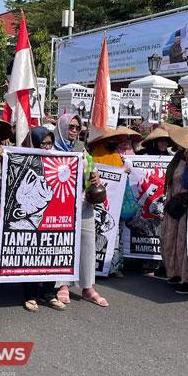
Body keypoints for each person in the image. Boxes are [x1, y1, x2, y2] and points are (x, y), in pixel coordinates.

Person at [53, 112, 110, 307]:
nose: (75, 131)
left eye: (78, 128)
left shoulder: (82, 149)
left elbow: (91, 170)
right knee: (64, 242)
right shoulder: (52, 150)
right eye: (71, 127)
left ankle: (87, 287)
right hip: (61, 204)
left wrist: (95, 178)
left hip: (84, 203)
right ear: (61, 127)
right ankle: (62, 285)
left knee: (87, 242)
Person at [21, 127, 68, 312]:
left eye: (50, 143)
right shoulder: (23, 159)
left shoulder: (59, 160)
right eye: (43, 144)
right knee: (32, 254)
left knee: (52, 253)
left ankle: (49, 293)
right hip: (32, 216)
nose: (47, 147)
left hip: (53, 215)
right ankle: (30, 295)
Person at [88, 126, 140, 277]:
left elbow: (119, 174)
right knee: (99, 233)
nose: (113, 141)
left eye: (115, 139)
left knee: (116, 235)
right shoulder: (96, 153)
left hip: (116, 203)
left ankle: (114, 267)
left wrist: (124, 171)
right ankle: (93, 267)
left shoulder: (117, 154)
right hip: (99, 203)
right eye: (111, 139)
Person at [160, 126, 188, 294]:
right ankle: (174, 272)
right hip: (173, 202)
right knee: (169, 239)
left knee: (184, 243)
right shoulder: (177, 158)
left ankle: (187, 279)